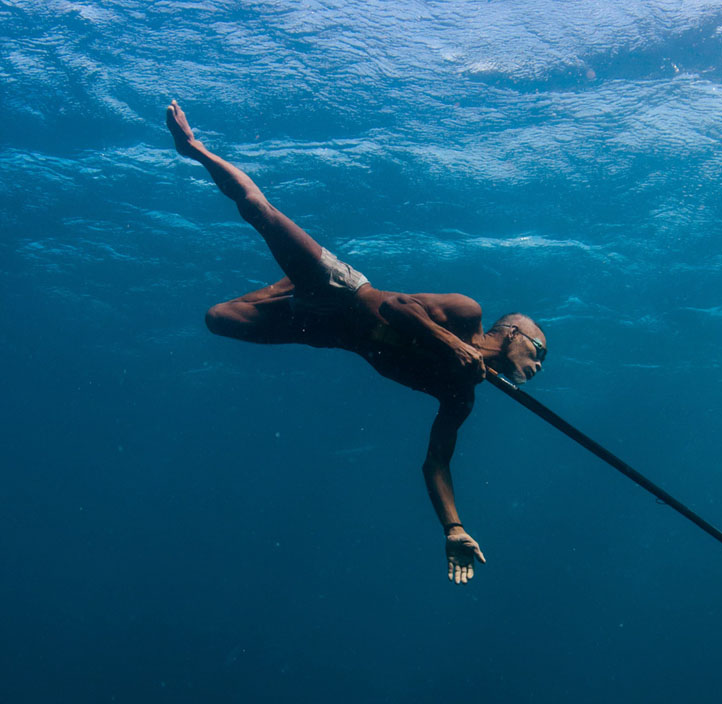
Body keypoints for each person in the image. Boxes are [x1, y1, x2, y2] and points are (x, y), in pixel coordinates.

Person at [166, 101, 547, 585]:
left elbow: (436, 462)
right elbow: (395, 307)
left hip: (328, 334)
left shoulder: (460, 394)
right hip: (342, 289)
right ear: (513, 333)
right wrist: (450, 342)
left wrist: (453, 527)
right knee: (259, 211)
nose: (539, 365)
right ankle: (194, 148)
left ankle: (288, 287)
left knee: (217, 319)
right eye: (539, 351)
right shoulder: (467, 312)